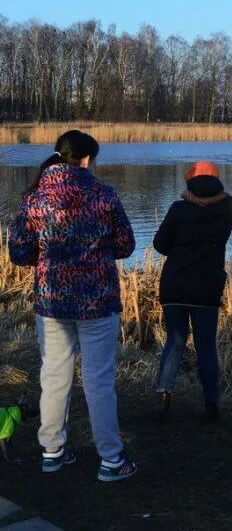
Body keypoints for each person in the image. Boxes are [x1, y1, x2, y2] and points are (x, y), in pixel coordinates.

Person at [8, 129, 137, 482]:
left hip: (52, 301)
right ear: (86, 159)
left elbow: (18, 252)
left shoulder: (35, 198)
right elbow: (125, 245)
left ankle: (52, 451)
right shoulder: (105, 196)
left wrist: (48, 254)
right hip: (97, 301)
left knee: (53, 375)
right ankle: (111, 459)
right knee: (98, 380)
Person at [152, 161, 232, 423]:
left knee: (175, 342)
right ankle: (212, 404)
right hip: (206, 290)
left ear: (190, 180)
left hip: (175, 287)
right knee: (206, 347)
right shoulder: (226, 207)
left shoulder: (178, 208)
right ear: (217, 181)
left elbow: (159, 245)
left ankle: (163, 397)